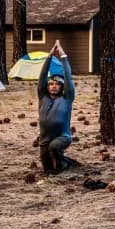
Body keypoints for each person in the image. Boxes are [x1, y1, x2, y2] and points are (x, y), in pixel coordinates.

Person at [36, 40, 77, 174]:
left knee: (54, 148)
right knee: (48, 170)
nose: (53, 86)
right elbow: (42, 77)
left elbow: (68, 78)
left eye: (57, 84)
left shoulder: (66, 98)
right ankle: (65, 161)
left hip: (63, 137)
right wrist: (49, 56)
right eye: (51, 84)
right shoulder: (43, 97)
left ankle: (64, 163)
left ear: (62, 87)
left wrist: (63, 56)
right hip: (44, 141)